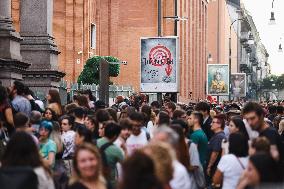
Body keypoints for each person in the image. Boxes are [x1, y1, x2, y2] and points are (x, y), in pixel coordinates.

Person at [96, 121, 124, 188]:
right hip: (109, 183)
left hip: (95, 182)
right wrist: (125, 149)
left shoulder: (94, 142)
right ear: (115, 136)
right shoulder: (116, 150)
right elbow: (126, 165)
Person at [206, 114, 226, 182]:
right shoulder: (217, 135)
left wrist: (209, 166)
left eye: (213, 122)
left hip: (214, 168)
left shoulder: (219, 137)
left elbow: (215, 153)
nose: (211, 124)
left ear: (219, 125)